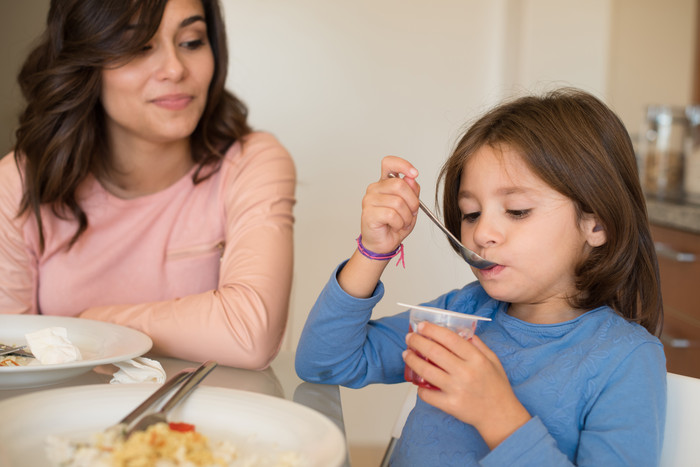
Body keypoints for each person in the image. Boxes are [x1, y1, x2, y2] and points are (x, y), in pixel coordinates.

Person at [295, 88, 665, 465]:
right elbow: (325, 362)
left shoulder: (626, 361)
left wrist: (497, 415)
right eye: (471, 213)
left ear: (597, 223)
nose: (482, 232)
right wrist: (374, 250)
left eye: (517, 210)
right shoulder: (463, 311)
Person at [0, 0, 296, 370]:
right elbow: (8, 359)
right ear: (85, 60)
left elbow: (250, 334)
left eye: (191, 41)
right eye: (139, 46)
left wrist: (87, 326)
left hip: (213, 423)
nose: (175, 69)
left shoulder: (251, 162)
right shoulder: (17, 184)